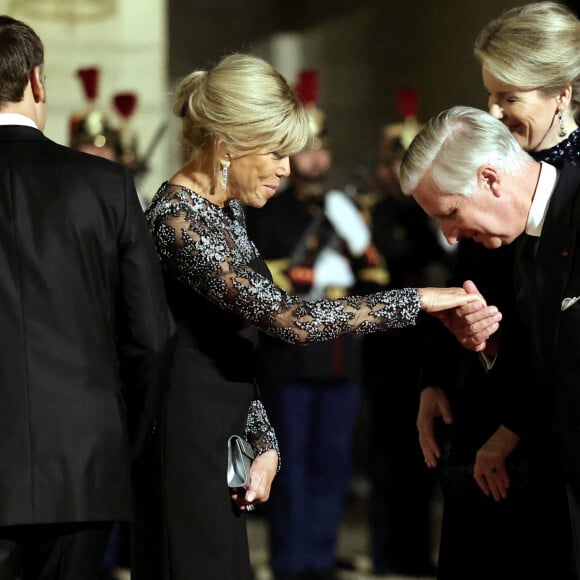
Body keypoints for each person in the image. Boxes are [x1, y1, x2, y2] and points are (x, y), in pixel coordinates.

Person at [131, 53, 483, 580]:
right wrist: (417, 302)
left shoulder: (222, 209)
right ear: (229, 144)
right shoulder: (181, 220)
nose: (286, 169)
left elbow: (229, 344)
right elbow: (287, 319)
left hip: (216, 430)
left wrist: (262, 439)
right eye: (275, 152)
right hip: (185, 440)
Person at [0, 15, 175, 580]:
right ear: (38, 81)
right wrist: (122, 436)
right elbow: (150, 335)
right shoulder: (106, 186)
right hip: (83, 455)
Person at [414, 4, 580, 578]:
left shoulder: (560, 185)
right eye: (490, 95)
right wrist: (438, 375)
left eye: (510, 97)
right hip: (486, 381)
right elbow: (465, 274)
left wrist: (518, 425)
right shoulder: (483, 162)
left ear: (561, 92)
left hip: (545, 411)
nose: (495, 111)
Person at [245, 68, 377, 580]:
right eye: (306, 148)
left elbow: (373, 273)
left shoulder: (346, 210)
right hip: (291, 360)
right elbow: (265, 278)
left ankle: (320, 559)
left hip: (341, 355)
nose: (316, 158)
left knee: (333, 465)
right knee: (291, 467)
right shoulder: (269, 213)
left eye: (322, 148)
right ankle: (290, 561)